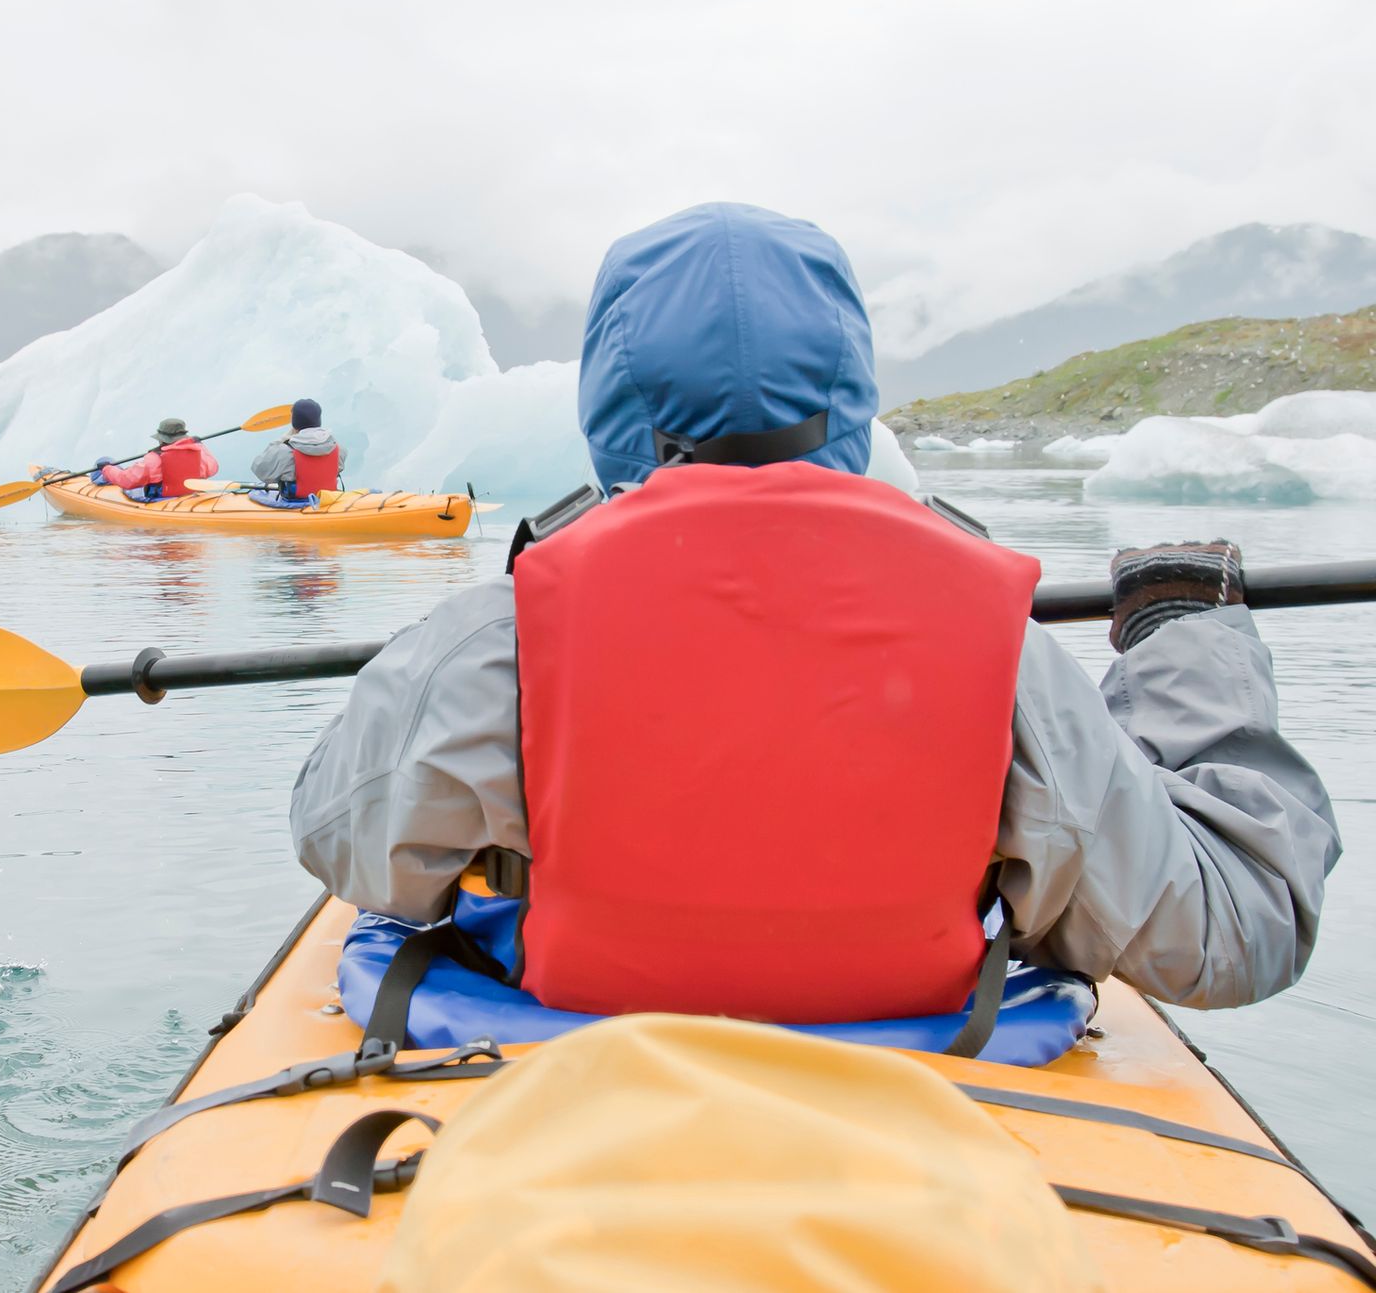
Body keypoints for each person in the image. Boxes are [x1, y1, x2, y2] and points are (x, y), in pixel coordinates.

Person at [288, 202, 1340, 1020]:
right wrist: (1180, 635)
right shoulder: (997, 659)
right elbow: (1236, 927)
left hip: (580, 1038)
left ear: (610, 403)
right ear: (848, 393)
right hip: (933, 1049)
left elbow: (339, 837)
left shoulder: (502, 635)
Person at [94, 418, 220, 498]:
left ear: (161, 439)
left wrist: (106, 468)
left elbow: (126, 481)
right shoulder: (197, 452)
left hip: (161, 497)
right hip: (190, 493)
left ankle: (101, 478)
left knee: (105, 461)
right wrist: (200, 444)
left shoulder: (155, 458)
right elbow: (213, 468)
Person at [251, 398, 346, 496]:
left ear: (294, 424)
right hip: (327, 501)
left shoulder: (285, 452)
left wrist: (282, 439)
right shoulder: (338, 449)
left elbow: (259, 470)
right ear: (319, 421)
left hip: (296, 503)